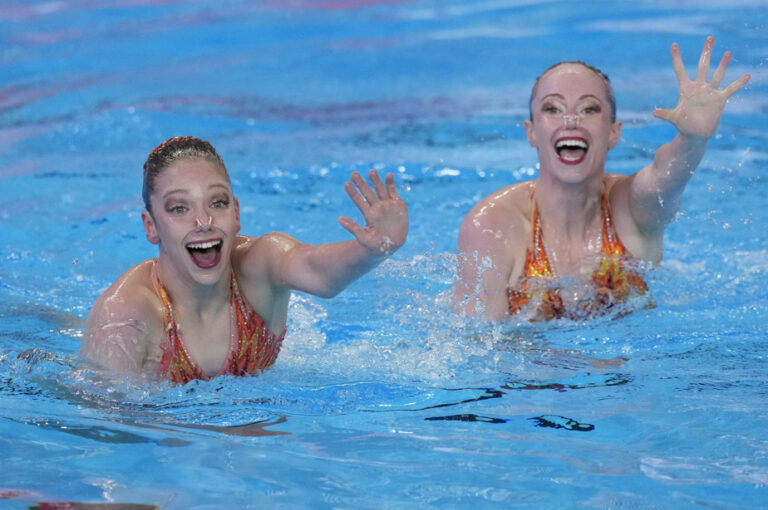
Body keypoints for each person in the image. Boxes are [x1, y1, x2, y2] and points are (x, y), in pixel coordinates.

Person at [454, 36, 750, 321]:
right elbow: (477, 345)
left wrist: (692, 139)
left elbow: (666, 178)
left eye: (589, 109)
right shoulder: (492, 226)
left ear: (613, 132)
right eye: (553, 108)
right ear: (531, 132)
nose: (571, 120)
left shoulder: (633, 209)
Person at [83, 136, 408, 383]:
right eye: (179, 208)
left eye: (218, 202)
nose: (204, 221)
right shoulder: (125, 318)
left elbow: (317, 271)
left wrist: (371, 250)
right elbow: (108, 432)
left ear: (236, 213)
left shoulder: (260, 265)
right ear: (151, 227)